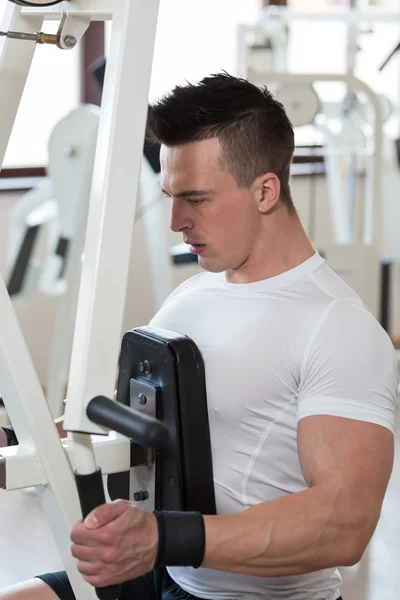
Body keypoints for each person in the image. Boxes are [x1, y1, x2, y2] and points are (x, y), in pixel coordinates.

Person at [0, 73, 398, 600]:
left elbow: (344, 522)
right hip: (167, 569)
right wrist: (24, 443)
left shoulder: (338, 328)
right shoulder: (193, 296)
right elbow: (138, 421)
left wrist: (165, 537)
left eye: (195, 199)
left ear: (265, 190)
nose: (175, 221)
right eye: (170, 195)